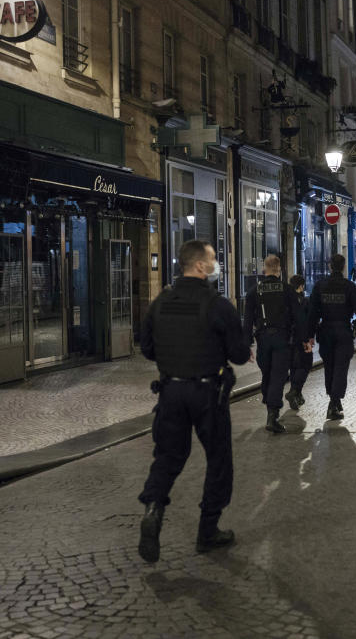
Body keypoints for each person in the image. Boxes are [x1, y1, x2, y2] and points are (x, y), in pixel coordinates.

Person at [137, 240, 251, 563]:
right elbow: (240, 354)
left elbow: (146, 348)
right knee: (218, 460)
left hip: (170, 392)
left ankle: (154, 508)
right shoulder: (217, 305)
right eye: (213, 258)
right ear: (200, 266)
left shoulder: (160, 303)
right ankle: (207, 530)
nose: (215, 263)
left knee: (168, 456)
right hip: (207, 394)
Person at [243, 254, 300, 434]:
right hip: (282, 339)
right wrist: (305, 338)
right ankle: (272, 415)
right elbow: (298, 316)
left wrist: (247, 344)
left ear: (264, 270)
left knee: (268, 373)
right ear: (280, 270)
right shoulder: (287, 289)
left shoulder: (254, 291)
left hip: (263, 340)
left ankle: (270, 405)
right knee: (278, 376)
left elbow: (247, 321)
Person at [307, 254, 356, 420]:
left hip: (325, 331)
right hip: (343, 331)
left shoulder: (320, 286)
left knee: (329, 367)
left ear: (329, 266)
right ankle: (334, 402)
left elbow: (312, 312)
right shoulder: (349, 286)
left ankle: (333, 399)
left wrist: (309, 334)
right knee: (341, 367)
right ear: (343, 267)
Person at [285, 274, 313, 411]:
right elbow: (306, 321)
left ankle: (297, 395)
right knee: (305, 364)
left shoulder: (285, 300)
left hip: (287, 339)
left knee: (294, 367)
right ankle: (294, 391)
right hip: (300, 338)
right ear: (301, 286)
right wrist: (307, 338)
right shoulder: (304, 301)